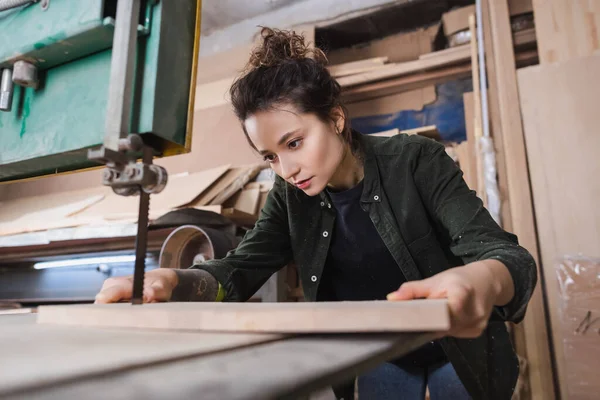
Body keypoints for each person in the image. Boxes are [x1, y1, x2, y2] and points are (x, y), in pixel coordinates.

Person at [96, 27, 537, 400]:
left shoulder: (416, 160)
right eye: (269, 156)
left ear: (337, 118)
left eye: (294, 143)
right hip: (380, 357)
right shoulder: (289, 197)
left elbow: (507, 256)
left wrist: (479, 279)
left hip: (461, 353)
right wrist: (174, 282)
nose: (286, 170)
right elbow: (239, 271)